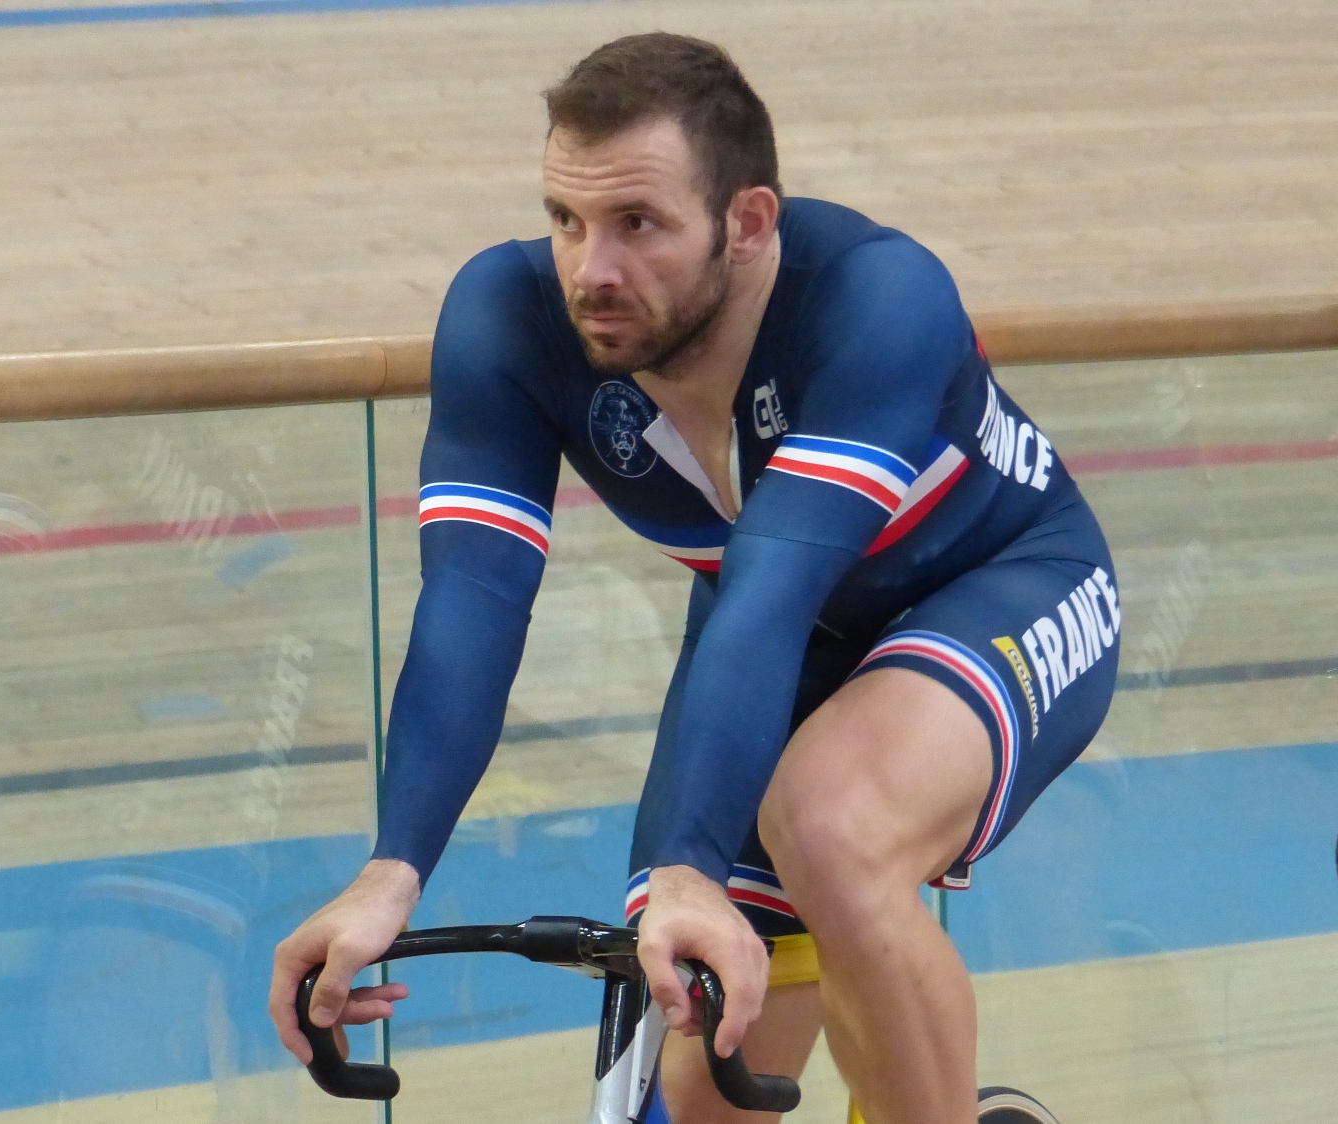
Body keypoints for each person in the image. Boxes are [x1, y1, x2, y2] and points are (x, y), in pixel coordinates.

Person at [269, 32, 1121, 1124]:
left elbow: (770, 591)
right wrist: (389, 873)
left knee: (828, 826)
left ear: (748, 222)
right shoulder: (509, 316)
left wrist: (686, 866)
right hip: (781, 629)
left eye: (638, 224)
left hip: (1001, 585)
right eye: (566, 219)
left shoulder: (876, 296)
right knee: (700, 1069)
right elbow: (472, 601)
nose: (591, 270)